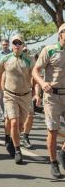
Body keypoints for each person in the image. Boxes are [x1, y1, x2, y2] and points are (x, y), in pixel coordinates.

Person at [32, 23, 65, 178]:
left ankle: (62, 152)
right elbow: (35, 70)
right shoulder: (50, 50)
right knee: (53, 130)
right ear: (60, 34)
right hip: (52, 96)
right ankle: (53, 163)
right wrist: (42, 83)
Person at [0, 34, 34, 165]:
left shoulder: (29, 60)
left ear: (23, 45)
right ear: (11, 45)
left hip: (25, 95)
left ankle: (12, 140)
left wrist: (37, 93)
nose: (17, 45)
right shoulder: (5, 59)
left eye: (19, 43)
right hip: (10, 95)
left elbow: (34, 76)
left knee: (21, 125)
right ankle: (18, 150)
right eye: (14, 43)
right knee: (13, 122)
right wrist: (1, 91)